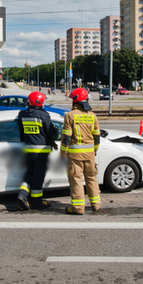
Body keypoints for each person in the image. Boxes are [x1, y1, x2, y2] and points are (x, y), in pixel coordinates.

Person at [60, 87, 101, 215]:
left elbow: (66, 137)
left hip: (75, 155)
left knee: (76, 179)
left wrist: (62, 153)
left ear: (76, 101)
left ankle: (78, 208)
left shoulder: (70, 116)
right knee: (91, 178)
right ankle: (96, 204)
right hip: (90, 155)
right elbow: (97, 137)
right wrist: (94, 150)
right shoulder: (92, 116)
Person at [16, 91, 57, 211]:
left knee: (29, 173)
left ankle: (22, 195)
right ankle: (36, 202)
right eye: (43, 102)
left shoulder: (22, 114)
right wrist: (56, 133)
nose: (44, 104)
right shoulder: (43, 115)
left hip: (28, 149)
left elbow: (21, 131)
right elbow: (50, 131)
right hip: (41, 151)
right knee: (38, 177)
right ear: (39, 102)